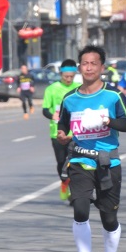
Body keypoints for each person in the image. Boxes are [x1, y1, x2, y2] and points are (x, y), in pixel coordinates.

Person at [57, 45, 126, 252]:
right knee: (80, 209)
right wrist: (62, 135)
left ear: (102, 67)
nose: (89, 67)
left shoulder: (113, 96)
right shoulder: (70, 98)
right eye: (85, 63)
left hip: (108, 162)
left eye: (94, 63)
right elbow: (63, 125)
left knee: (108, 218)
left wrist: (108, 121)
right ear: (79, 67)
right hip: (80, 160)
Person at [41, 59, 80, 202]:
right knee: (61, 162)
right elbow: (45, 109)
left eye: (71, 76)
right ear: (60, 74)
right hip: (57, 133)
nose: (69, 79)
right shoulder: (52, 89)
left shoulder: (79, 88)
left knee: (75, 163)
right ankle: (65, 183)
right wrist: (53, 115)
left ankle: (75, 192)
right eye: (66, 76)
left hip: (76, 132)